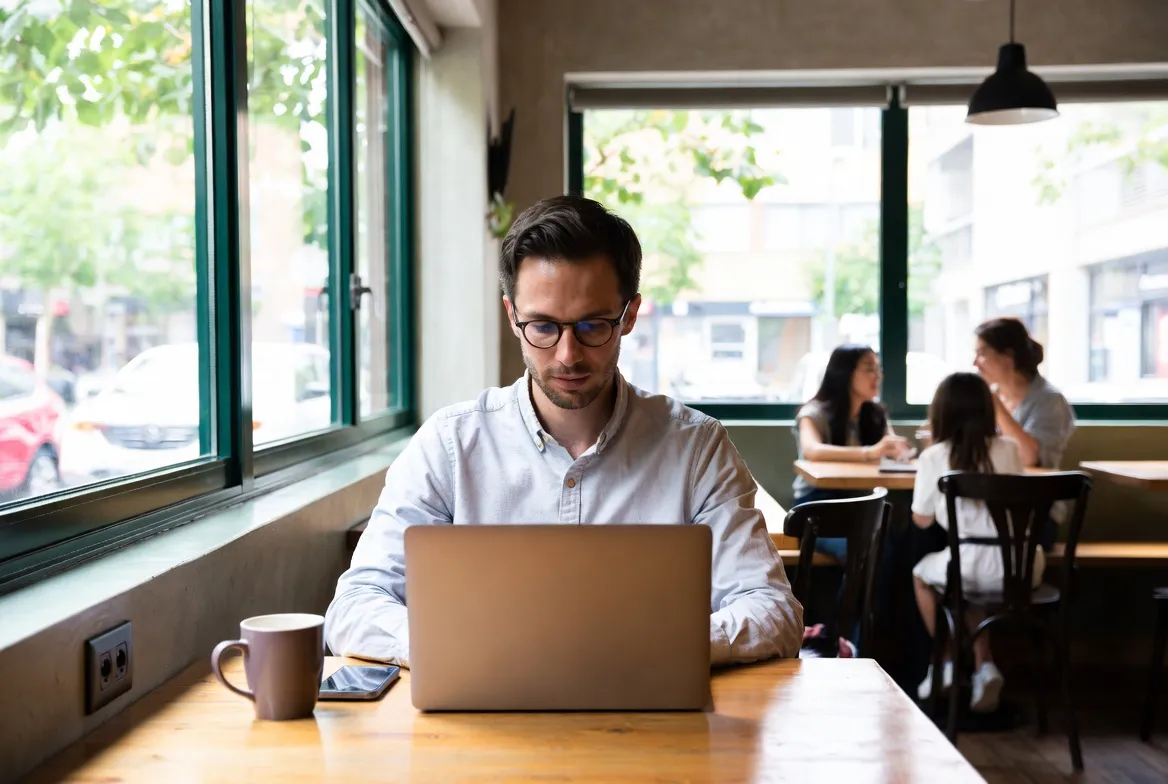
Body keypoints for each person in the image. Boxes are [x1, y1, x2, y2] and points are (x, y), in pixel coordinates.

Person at [326, 195, 803, 668]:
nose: (568, 355)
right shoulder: (449, 446)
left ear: (630, 315)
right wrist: (459, 645)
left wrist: (653, 644)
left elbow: (773, 610)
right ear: (513, 315)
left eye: (593, 325)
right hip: (481, 720)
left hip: (651, 731)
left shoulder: (696, 448)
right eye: (543, 326)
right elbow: (355, 607)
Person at [911, 372, 1038, 714]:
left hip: (967, 563)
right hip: (1021, 565)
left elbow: (921, 519)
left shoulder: (935, 456)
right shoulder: (1009, 450)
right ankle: (985, 666)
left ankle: (949, 659)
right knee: (963, 576)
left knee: (927, 576)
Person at [792, 345, 911, 559]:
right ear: (845, 373)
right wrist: (870, 452)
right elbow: (812, 451)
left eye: (878, 368)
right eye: (869, 369)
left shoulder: (875, 414)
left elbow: (890, 448)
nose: (877, 376)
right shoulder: (814, 413)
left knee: (897, 545)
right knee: (862, 551)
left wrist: (899, 452)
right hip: (818, 508)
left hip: (864, 504)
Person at [973, 318, 1074, 471]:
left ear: (1008, 357)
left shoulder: (1049, 400)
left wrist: (996, 406)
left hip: (1034, 491)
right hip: (993, 488)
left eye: (982, 354)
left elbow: (1028, 457)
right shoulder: (995, 396)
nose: (975, 363)